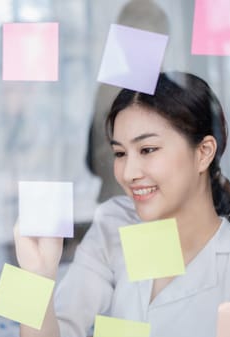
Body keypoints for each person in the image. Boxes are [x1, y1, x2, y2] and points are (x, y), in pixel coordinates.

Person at [14, 72, 230, 337]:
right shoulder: (114, 224)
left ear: (203, 153)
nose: (128, 172)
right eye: (120, 153)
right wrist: (35, 277)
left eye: (147, 149)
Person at [86, 0, 169, 203]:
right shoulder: (171, 93)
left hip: (120, 203)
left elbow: (93, 162)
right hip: (134, 206)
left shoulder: (107, 91)